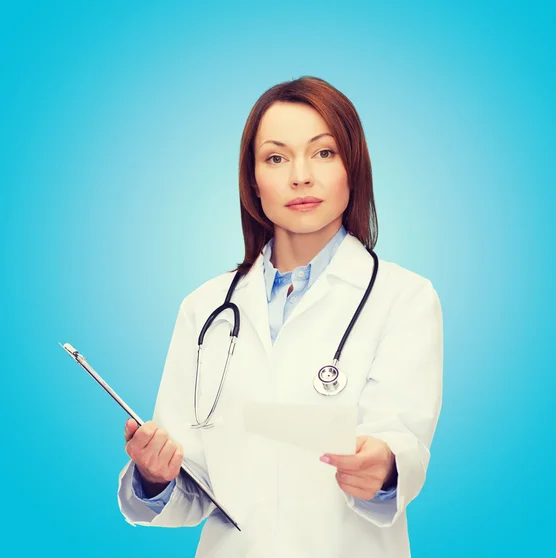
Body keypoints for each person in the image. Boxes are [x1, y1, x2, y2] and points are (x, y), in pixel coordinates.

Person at [117, 75, 443, 558]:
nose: (300, 176)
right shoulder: (204, 308)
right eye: (276, 157)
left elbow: (403, 442)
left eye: (323, 153)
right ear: (253, 179)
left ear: (353, 167)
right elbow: (193, 487)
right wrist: (153, 474)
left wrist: (386, 468)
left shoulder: (406, 298)